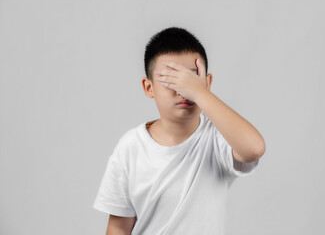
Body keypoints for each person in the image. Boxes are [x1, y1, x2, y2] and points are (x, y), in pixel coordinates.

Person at [93, 27, 266, 235]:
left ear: (206, 83)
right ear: (149, 88)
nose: (182, 91)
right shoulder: (130, 147)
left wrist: (198, 92)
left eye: (190, 80)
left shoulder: (217, 138)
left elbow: (253, 148)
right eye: (170, 80)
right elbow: (118, 227)